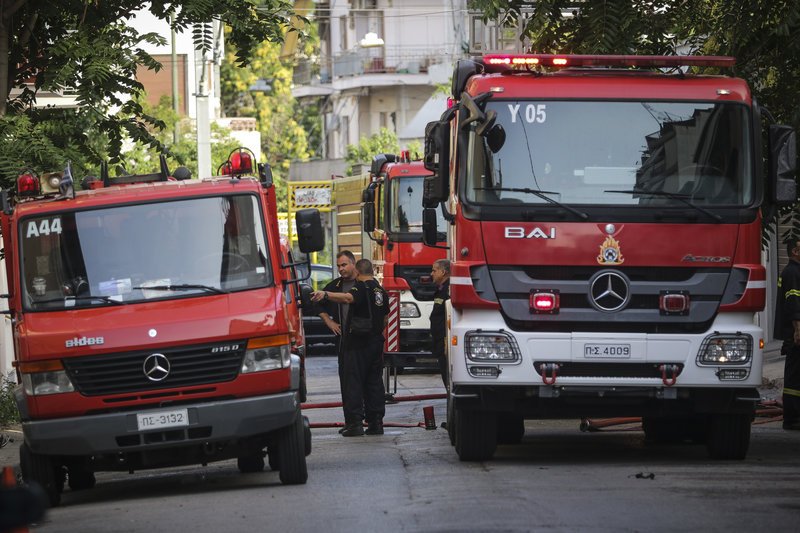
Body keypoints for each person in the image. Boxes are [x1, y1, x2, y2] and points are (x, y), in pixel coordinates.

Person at [312, 259, 388, 436]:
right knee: (374, 383)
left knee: (352, 382)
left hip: (357, 344)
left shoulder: (361, 287)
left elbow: (348, 298)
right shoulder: (380, 290)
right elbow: (385, 318)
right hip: (376, 343)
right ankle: (376, 423)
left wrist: (326, 294)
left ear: (358, 273)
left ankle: (355, 424)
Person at [314, 251, 357, 430]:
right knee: (347, 384)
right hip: (344, 342)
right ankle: (352, 422)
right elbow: (317, 303)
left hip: (364, 342)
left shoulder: (364, 283)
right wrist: (329, 321)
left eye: (344, 265)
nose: (341, 269)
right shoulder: (336, 285)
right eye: (339, 266)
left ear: (353, 263)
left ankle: (372, 422)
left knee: (368, 383)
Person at [774, 239, 800, 430]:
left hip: (794, 332)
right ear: (796, 251)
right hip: (796, 334)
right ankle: (792, 419)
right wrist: (797, 329)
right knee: (794, 377)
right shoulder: (792, 272)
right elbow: (793, 304)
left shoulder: (791, 271)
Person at [430, 259, 450, 390]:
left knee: (447, 374)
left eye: (434, 270)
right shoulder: (441, 289)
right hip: (440, 340)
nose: (431, 274)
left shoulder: (449, 289)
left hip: (445, 340)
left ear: (443, 272)